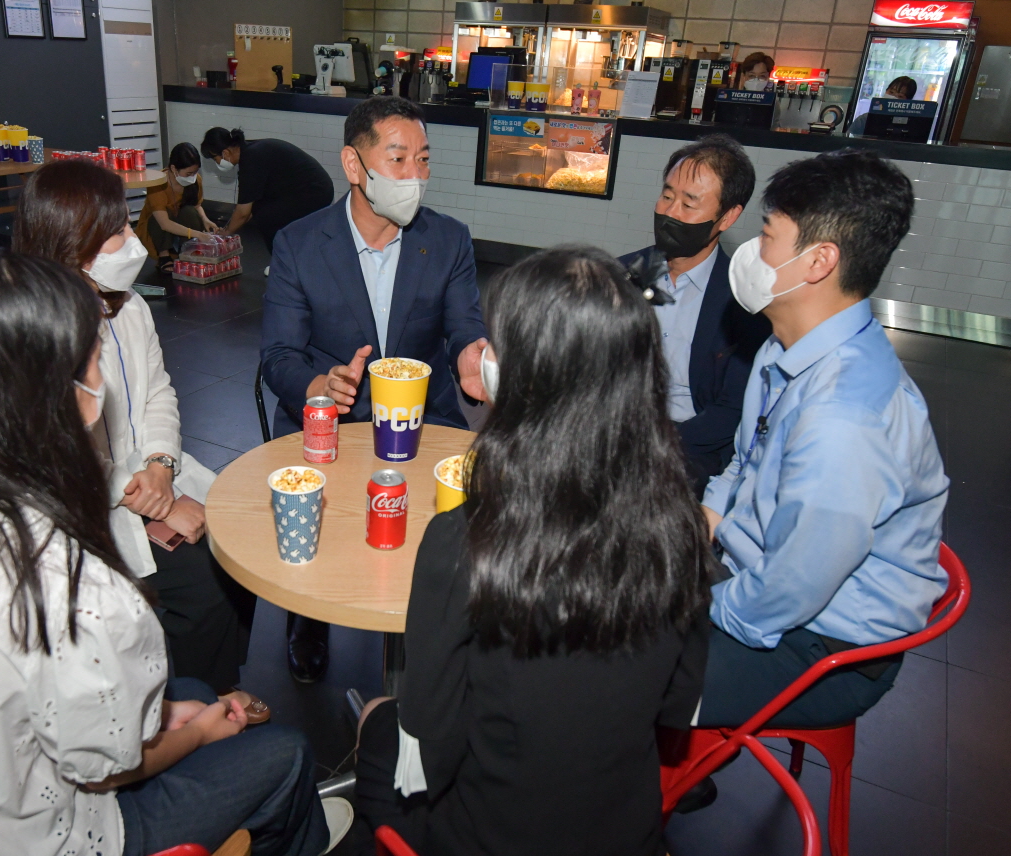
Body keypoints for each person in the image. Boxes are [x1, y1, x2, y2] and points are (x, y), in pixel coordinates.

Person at [0, 249, 328, 856]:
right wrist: (200, 734)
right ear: (78, 395)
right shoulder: (83, 588)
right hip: (50, 841)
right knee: (287, 754)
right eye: (97, 357)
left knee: (198, 693)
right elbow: (108, 770)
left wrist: (180, 718)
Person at [351, 245, 715, 856]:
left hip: (482, 838)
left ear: (531, 379)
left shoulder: (464, 540)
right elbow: (679, 708)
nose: (485, 358)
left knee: (377, 721)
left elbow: (427, 751)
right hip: (627, 834)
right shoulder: (681, 530)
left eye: (497, 345)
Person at [697, 148, 949, 730]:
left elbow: (790, 588)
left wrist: (692, 605)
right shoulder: (784, 348)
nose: (752, 251)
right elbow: (745, 462)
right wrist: (701, 522)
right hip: (759, 581)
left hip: (818, 646)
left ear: (818, 261)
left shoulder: (844, 416)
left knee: (598, 671)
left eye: (767, 235)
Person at [13, 160, 265, 719]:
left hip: (149, 474)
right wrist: (155, 501)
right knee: (204, 580)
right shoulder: (36, 335)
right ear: (71, 243)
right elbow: (59, 460)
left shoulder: (129, 308)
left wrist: (160, 464)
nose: (133, 240)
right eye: (118, 230)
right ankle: (199, 704)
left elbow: (158, 394)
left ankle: (221, 677)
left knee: (239, 540)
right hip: (84, 508)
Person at [259, 95, 488, 683]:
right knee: (320, 527)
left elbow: (465, 326)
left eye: (423, 159)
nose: (414, 175)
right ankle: (308, 617)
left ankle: (434, 619)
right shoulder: (299, 243)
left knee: (455, 525)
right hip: (332, 427)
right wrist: (319, 385)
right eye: (398, 158)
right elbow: (279, 356)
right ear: (353, 165)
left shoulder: (449, 239)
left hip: (424, 420)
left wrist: (472, 354)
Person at [619, 134, 772, 495]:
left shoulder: (744, 302)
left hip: (688, 447)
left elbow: (732, 408)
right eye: (666, 196)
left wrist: (655, 446)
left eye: (689, 204)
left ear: (728, 216)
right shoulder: (619, 275)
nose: (671, 213)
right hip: (611, 429)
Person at [201, 126, 335, 255]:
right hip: (313, 188)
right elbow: (249, 206)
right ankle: (287, 258)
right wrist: (228, 227)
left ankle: (283, 261)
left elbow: (243, 213)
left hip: (315, 192)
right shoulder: (249, 150)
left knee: (267, 217)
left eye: (215, 159)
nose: (217, 163)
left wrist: (226, 233)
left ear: (225, 153)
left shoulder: (251, 160)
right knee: (262, 208)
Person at [135, 142, 219, 272]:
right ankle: (164, 256)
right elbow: (164, 224)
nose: (192, 177)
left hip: (182, 226)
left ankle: (188, 250)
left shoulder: (196, 180)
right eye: (188, 173)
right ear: (174, 168)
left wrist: (205, 220)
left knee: (189, 211)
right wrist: (198, 234)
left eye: (195, 172)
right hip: (160, 230)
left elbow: (196, 205)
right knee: (161, 216)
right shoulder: (157, 184)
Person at [847, 76, 918, 136]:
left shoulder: (911, 126)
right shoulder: (864, 120)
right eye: (891, 92)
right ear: (886, 91)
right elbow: (848, 141)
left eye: (900, 96)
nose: (893, 97)